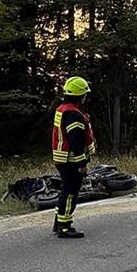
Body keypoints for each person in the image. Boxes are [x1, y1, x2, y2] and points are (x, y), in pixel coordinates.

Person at [51, 76, 96, 238]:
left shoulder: (63, 109)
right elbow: (76, 141)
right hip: (71, 160)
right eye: (84, 94)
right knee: (71, 193)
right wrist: (82, 163)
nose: (86, 97)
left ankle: (58, 222)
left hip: (62, 159)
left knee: (65, 191)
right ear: (80, 96)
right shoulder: (74, 114)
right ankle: (64, 226)